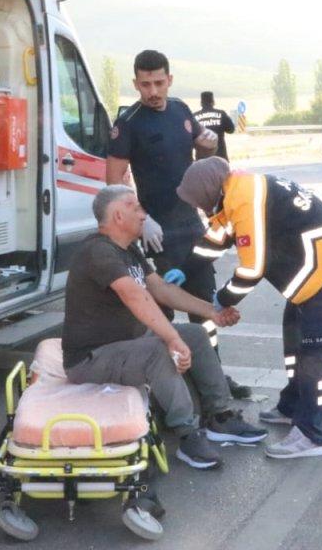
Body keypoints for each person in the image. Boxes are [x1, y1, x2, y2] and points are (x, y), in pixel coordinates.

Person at [63, 185, 269, 470]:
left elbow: (160, 289)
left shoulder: (128, 249)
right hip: (91, 359)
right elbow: (135, 296)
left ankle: (218, 416)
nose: (143, 214)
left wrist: (213, 311)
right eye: (135, 207)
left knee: (196, 335)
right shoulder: (97, 251)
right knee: (158, 351)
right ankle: (187, 434)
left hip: (127, 343)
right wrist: (171, 338)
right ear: (118, 216)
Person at [177, 157, 322, 460]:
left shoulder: (244, 199)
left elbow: (252, 269)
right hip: (315, 265)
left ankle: (311, 435)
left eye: (197, 201)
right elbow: (215, 239)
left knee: (314, 350)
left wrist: (222, 301)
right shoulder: (235, 190)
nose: (197, 207)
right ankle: (292, 406)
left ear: (208, 191)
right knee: (294, 339)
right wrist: (184, 269)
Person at [106, 50, 251, 400]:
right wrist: (142, 220)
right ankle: (173, 384)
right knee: (163, 313)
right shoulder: (128, 123)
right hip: (157, 233)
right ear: (135, 83)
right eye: (145, 84)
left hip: (192, 225)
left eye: (159, 83)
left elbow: (203, 148)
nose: (153, 91)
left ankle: (213, 376)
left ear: (170, 79)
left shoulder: (181, 110)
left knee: (205, 307)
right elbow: (113, 183)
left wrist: (208, 143)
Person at [193, 91, 235, 161]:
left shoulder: (194, 117)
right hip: (220, 157)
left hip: (202, 160)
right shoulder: (221, 114)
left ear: (201, 103)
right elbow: (231, 130)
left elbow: (191, 138)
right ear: (213, 102)